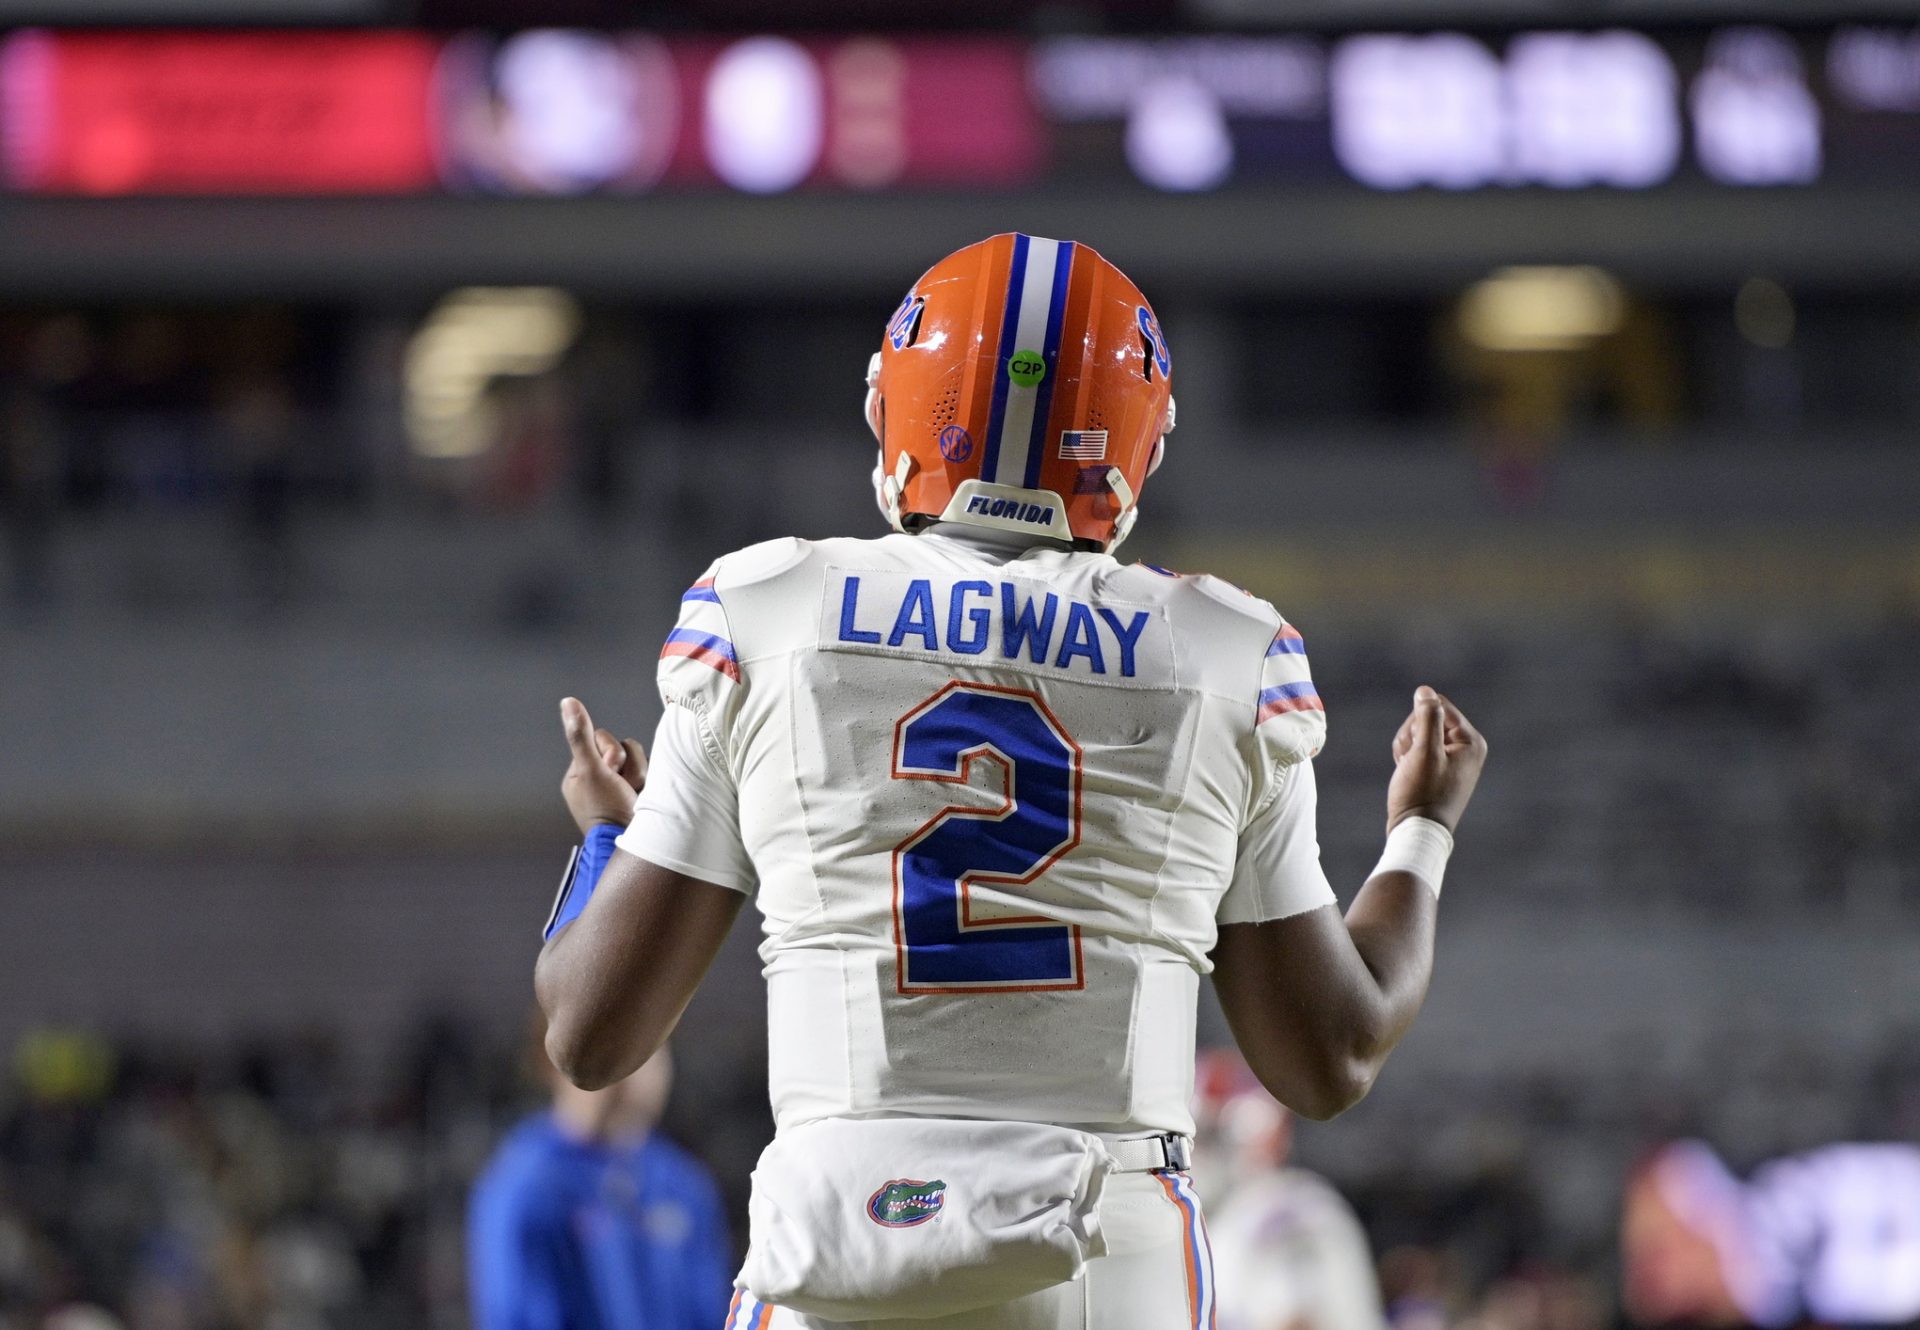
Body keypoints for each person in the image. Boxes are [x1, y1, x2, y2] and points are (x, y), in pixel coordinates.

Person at [534, 233, 1488, 1330]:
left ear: (900, 407)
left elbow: (589, 1034)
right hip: (1105, 1258)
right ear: (1132, 444)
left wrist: (614, 835)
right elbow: (1332, 1051)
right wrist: (1421, 829)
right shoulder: (1229, 653)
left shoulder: (766, 613)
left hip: (838, 1246)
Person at [467, 1044, 733, 1330]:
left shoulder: (682, 1184)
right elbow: (518, 1315)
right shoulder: (523, 1186)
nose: (632, 1072)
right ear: (557, 1059)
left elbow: (712, 1308)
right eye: (611, 1047)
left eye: (649, 1050)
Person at [1192, 1050, 1386, 1330]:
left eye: (1210, 1139)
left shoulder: (1292, 1211)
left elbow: (1295, 1319)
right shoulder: (1208, 1213)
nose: (1195, 1157)